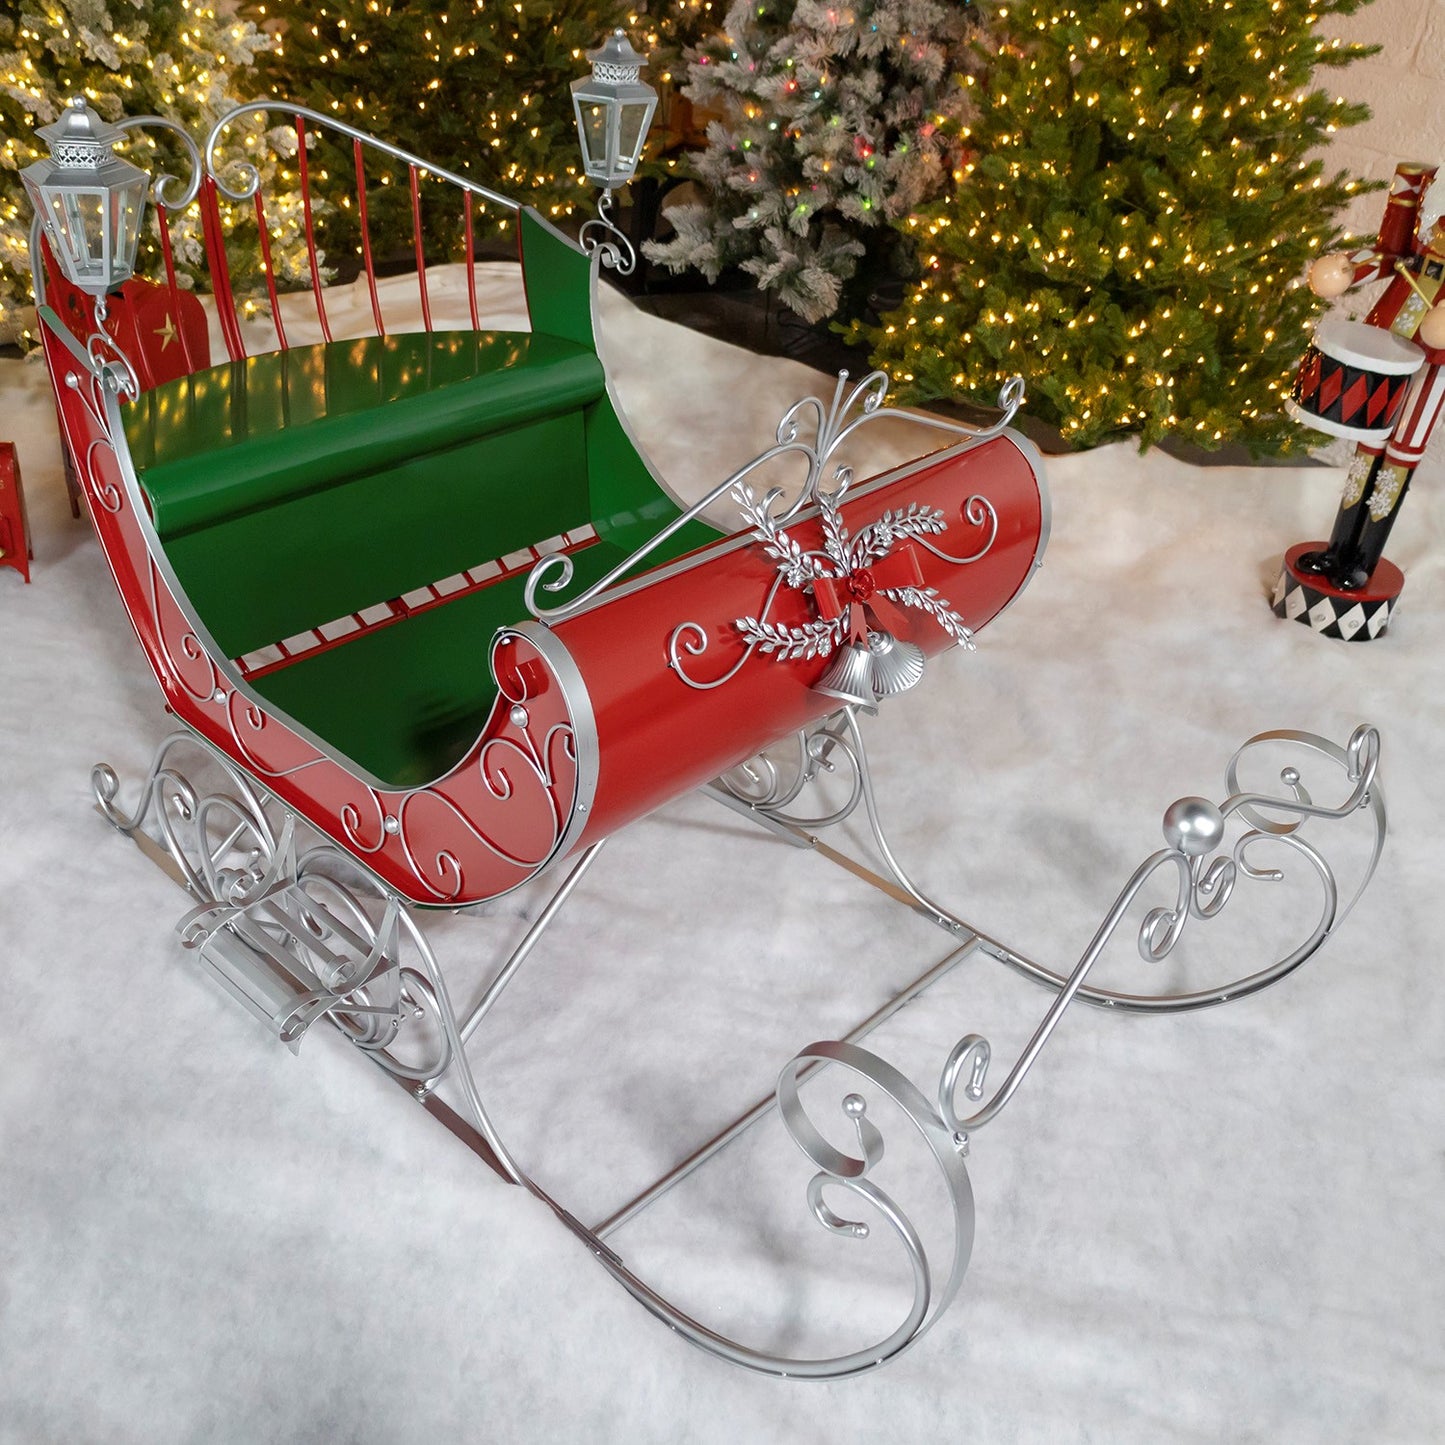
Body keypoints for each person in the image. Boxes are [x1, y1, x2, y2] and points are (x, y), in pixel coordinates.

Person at [1297, 164, 1445, 590]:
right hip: (1393, 336)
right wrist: (1347, 268)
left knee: (1404, 447)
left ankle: (1364, 558)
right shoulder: (1418, 179)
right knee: (1371, 439)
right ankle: (1337, 548)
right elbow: (1390, 253)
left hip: (1439, 356)